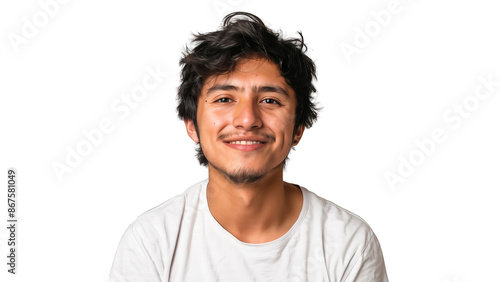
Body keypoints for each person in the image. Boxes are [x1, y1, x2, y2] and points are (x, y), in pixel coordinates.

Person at [110, 12, 388, 282]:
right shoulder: (151, 242)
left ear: (298, 128)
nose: (247, 120)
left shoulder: (348, 244)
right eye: (224, 99)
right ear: (191, 124)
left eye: (270, 101)